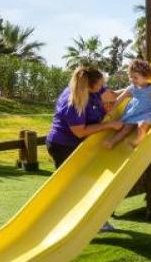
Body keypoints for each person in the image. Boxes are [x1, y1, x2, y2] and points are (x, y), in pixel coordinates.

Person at [46, 66, 124, 231]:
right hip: (63, 146)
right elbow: (80, 131)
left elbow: (112, 94)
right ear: (90, 85)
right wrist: (110, 125)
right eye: (100, 83)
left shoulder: (92, 89)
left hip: (78, 145)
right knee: (73, 186)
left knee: (90, 181)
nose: (103, 86)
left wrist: (135, 89)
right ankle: (73, 224)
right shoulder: (73, 102)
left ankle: (96, 220)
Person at [103, 59, 151, 149]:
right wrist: (111, 110)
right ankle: (112, 142)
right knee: (126, 129)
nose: (132, 80)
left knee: (142, 125)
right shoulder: (131, 88)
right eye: (131, 77)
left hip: (147, 113)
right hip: (133, 113)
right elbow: (120, 99)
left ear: (146, 77)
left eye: (135, 77)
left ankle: (136, 141)